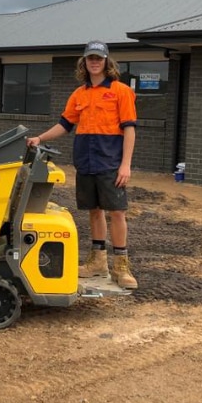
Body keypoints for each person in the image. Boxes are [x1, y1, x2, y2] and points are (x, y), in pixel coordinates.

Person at [26, 40, 138, 289]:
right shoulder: (79, 94)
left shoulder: (121, 91)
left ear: (107, 62)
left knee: (117, 212)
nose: (95, 62)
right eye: (91, 58)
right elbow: (65, 125)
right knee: (94, 210)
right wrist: (39, 138)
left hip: (111, 162)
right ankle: (98, 261)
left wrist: (125, 165)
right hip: (86, 162)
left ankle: (121, 265)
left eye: (99, 58)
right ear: (84, 63)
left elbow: (129, 129)